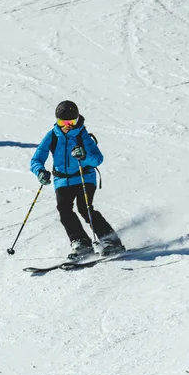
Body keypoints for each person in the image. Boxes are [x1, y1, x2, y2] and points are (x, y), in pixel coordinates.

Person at [30, 100, 125, 259]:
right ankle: (81, 242)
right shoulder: (53, 135)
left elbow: (97, 159)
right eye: (62, 122)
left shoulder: (82, 135)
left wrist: (84, 156)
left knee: (84, 208)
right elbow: (36, 159)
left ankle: (111, 241)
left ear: (76, 120)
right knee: (64, 210)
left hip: (84, 178)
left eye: (71, 122)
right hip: (62, 180)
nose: (66, 125)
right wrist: (40, 172)